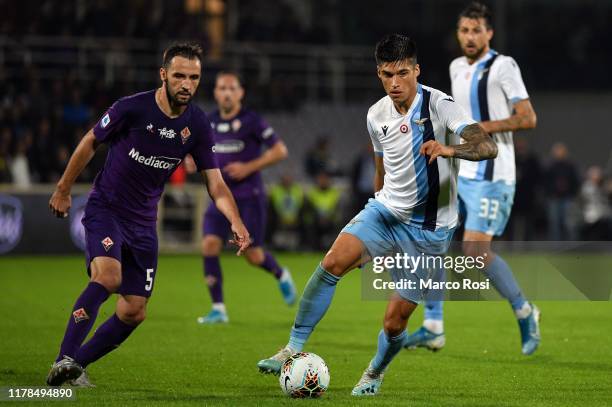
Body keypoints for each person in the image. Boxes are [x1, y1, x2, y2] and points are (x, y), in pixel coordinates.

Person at [257, 34, 496, 396]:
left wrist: (449, 148)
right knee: (332, 262)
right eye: (387, 74)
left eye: (403, 73)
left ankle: (374, 371)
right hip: (385, 213)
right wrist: (374, 214)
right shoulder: (375, 114)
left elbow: (487, 145)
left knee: (394, 321)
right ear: (379, 74)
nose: (395, 83)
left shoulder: (440, 105)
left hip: (429, 231)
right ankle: (292, 346)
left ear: (417, 70)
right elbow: (381, 167)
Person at [46, 43, 250, 387]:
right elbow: (89, 142)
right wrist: (64, 188)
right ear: (163, 75)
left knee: (133, 311)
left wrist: (236, 219)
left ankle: (75, 366)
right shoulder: (132, 108)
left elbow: (215, 184)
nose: (187, 84)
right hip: (107, 210)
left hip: (143, 224)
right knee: (108, 278)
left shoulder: (197, 124)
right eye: (179, 76)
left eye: (194, 77)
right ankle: (62, 358)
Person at [405, 2, 540, 356]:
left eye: (476, 30)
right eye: (464, 30)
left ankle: (525, 311)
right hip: (460, 169)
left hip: (494, 171)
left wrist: (483, 130)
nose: (469, 36)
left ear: (489, 33)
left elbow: (527, 118)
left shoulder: (503, 66)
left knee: (475, 251)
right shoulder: (455, 67)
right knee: (432, 238)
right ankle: (433, 326)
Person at [197, 71, 296, 325]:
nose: (227, 93)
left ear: (240, 93)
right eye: (222, 88)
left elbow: (280, 150)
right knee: (209, 244)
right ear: (216, 93)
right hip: (221, 198)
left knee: (253, 255)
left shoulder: (252, 121)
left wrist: (248, 167)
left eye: (232, 88)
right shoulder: (207, 123)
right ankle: (218, 308)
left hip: (249, 197)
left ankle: (280, 273)